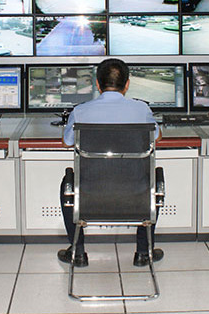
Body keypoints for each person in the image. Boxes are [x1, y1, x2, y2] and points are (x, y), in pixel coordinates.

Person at [57, 58, 164, 268]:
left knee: (67, 183)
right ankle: (143, 252)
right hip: (136, 193)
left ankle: (78, 252)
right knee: (155, 178)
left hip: (90, 194)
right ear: (127, 84)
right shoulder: (141, 109)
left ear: (97, 84)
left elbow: (67, 142)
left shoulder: (80, 111)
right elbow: (157, 136)